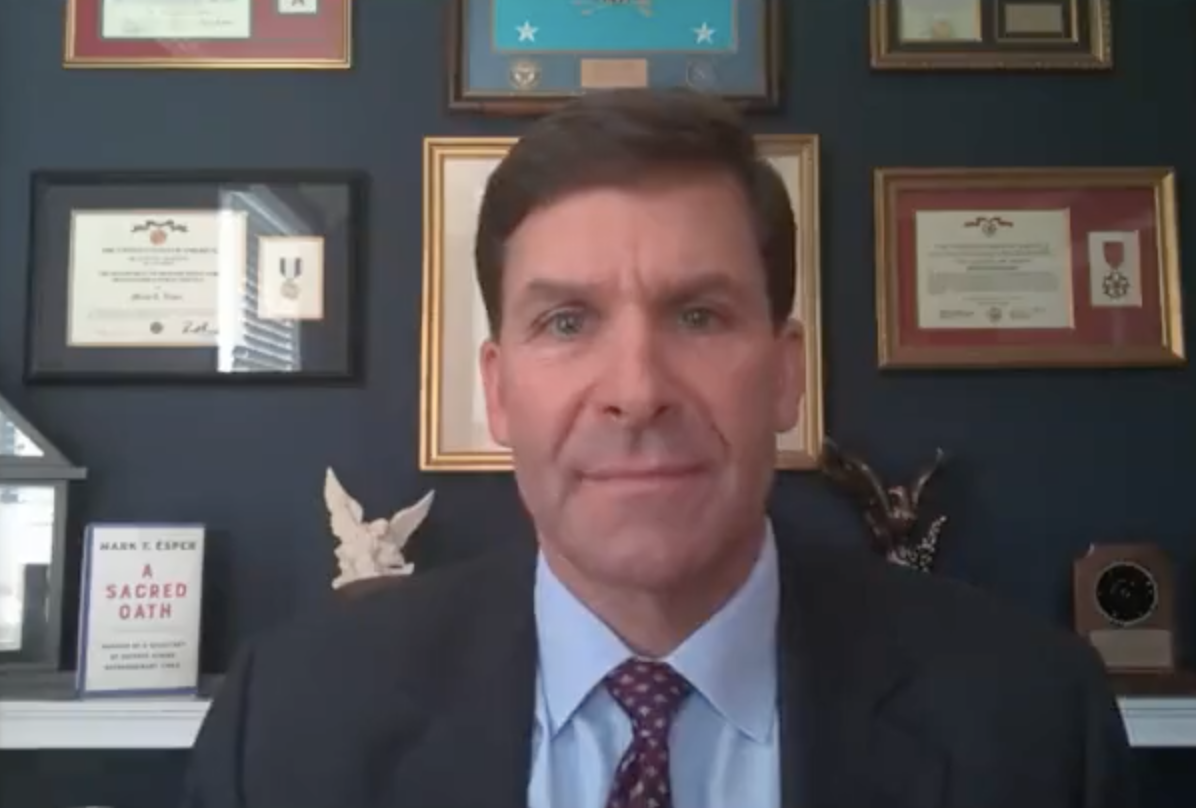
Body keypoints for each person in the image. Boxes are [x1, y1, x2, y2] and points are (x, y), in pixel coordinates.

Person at [181, 87, 1138, 808]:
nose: (637, 392)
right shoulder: (289, 725)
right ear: (496, 389)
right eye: (565, 322)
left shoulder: (1036, 723)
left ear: (785, 373)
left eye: (698, 313)